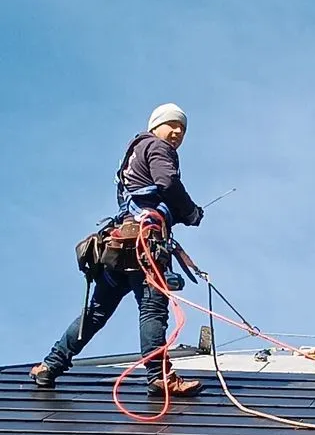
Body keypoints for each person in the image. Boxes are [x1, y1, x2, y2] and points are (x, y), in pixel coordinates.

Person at [30, 103, 204, 397]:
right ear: (155, 126)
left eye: (182, 129)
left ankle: (51, 364)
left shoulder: (133, 152)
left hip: (120, 247)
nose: (177, 132)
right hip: (144, 247)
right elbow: (168, 183)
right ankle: (159, 377)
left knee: (96, 312)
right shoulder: (158, 148)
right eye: (172, 124)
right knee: (152, 309)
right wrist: (190, 213)